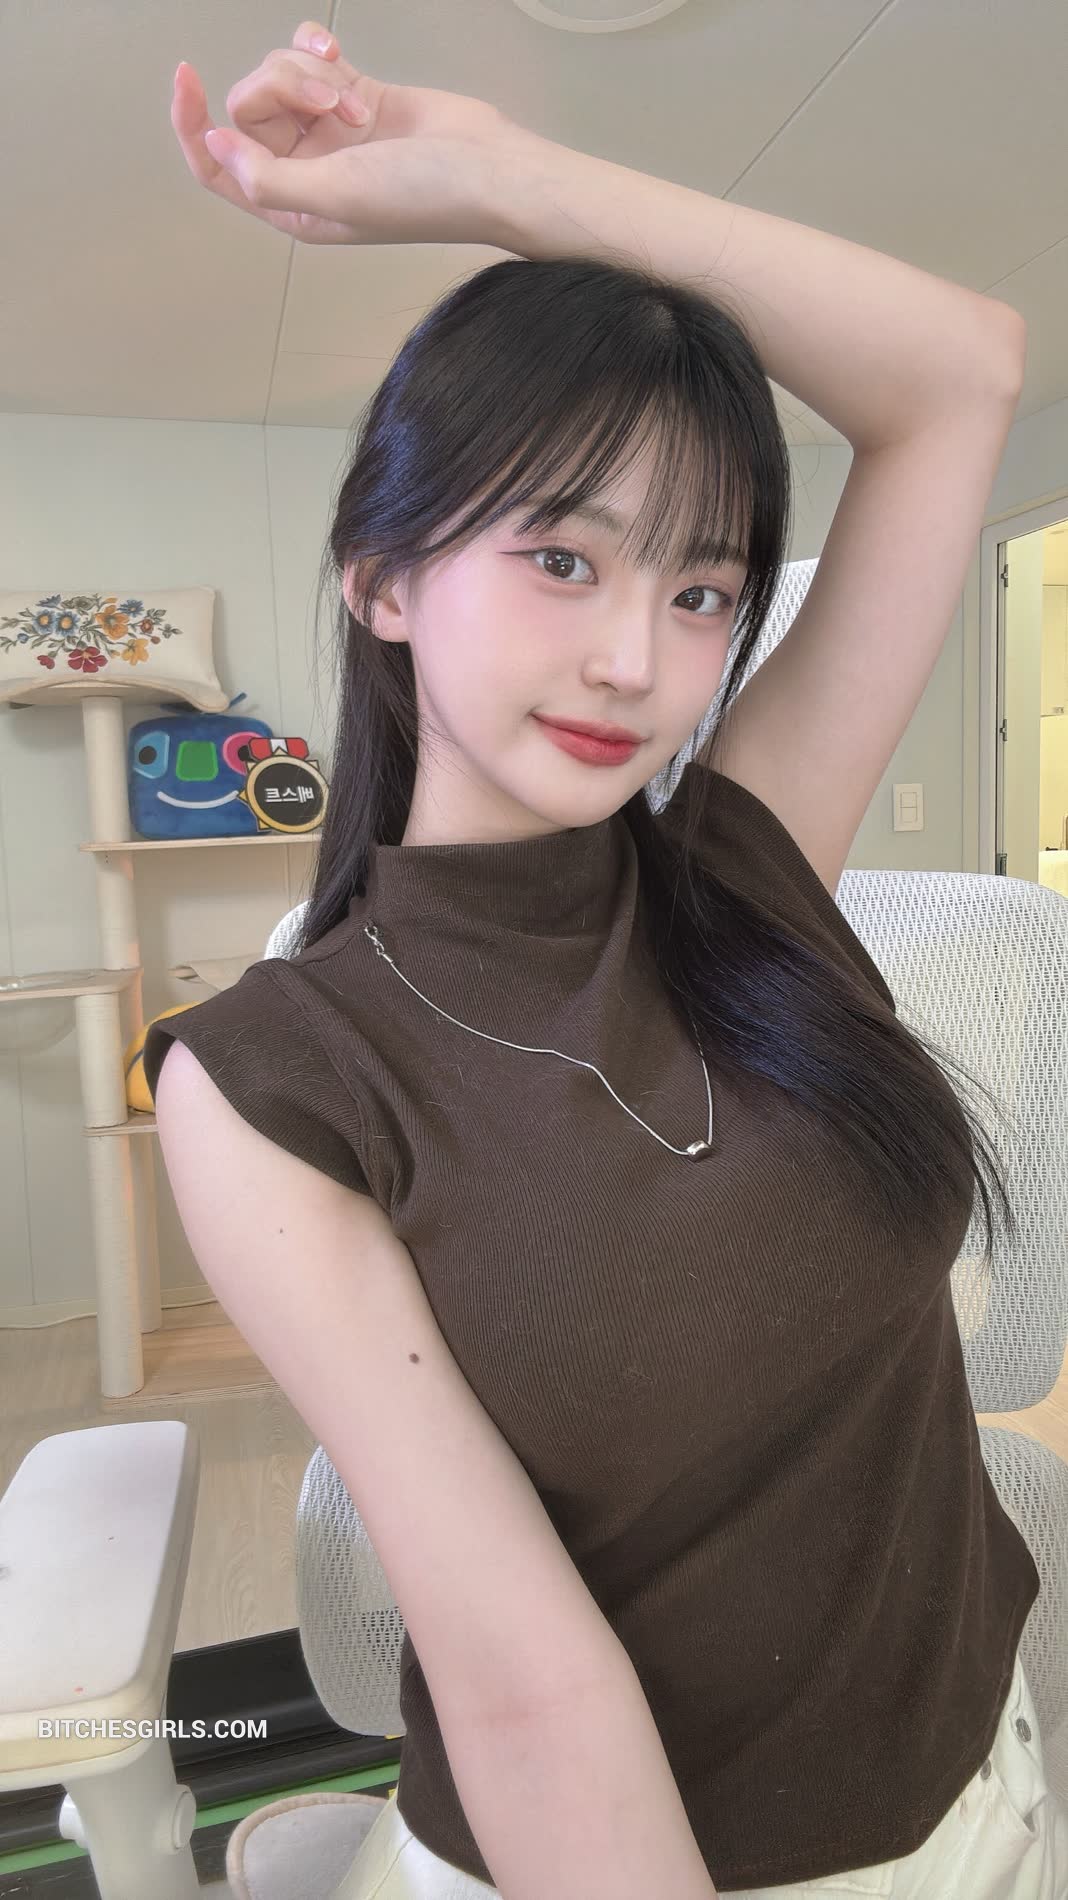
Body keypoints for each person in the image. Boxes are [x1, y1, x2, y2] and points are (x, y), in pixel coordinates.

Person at [148, 24, 1064, 1900]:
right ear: (381, 578)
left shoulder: (741, 871)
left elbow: (963, 369)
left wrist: (498, 177)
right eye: (562, 557)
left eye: (701, 587)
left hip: (990, 1794)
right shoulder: (270, 1084)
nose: (640, 661)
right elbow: (525, 1679)